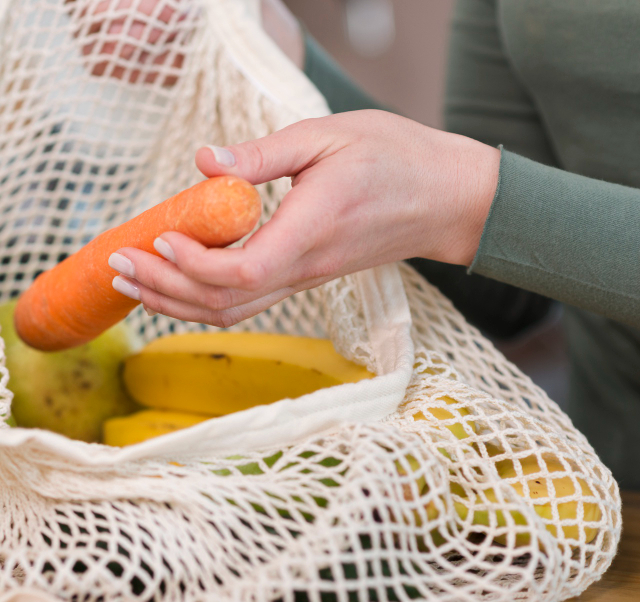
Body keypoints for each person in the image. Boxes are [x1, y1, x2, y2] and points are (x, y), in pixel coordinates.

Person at [106, 0, 640, 489]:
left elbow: (485, 207)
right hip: (608, 497)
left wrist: (468, 200)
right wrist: (271, 48)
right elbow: (508, 291)